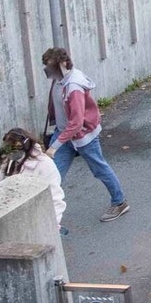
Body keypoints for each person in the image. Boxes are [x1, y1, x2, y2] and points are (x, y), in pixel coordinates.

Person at [42, 47, 130, 221]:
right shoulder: (59, 80)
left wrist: (54, 146)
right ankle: (48, 215)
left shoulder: (74, 86)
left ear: (62, 64)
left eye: (50, 67)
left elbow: (76, 123)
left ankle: (120, 202)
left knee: (100, 169)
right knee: (52, 175)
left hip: (83, 137)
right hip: (64, 134)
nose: (47, 72)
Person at [0, 127, 67, 235]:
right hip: (14, 220)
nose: (10, 155)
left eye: (12, 151)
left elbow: (55, 199)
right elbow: (4, 182)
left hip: (36, 219)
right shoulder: (10, 161)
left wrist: (51, 225)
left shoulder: (44, 165)